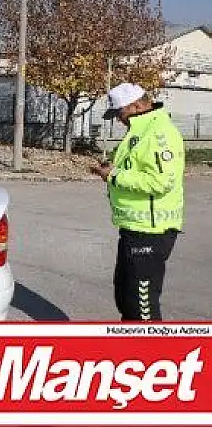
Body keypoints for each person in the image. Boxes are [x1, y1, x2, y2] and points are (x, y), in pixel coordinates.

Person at [88, 82, 185, 321]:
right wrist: (112, 170)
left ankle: (153, 355)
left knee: (142, 306)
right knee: (125, 298)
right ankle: (130, 351)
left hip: (151, 231)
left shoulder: (159, 133)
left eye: (120, 113)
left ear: (137, 105)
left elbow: (161, 182)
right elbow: (135, 169)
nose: (119, 120)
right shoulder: (139, 131)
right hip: (133, 229)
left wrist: (113, 175)